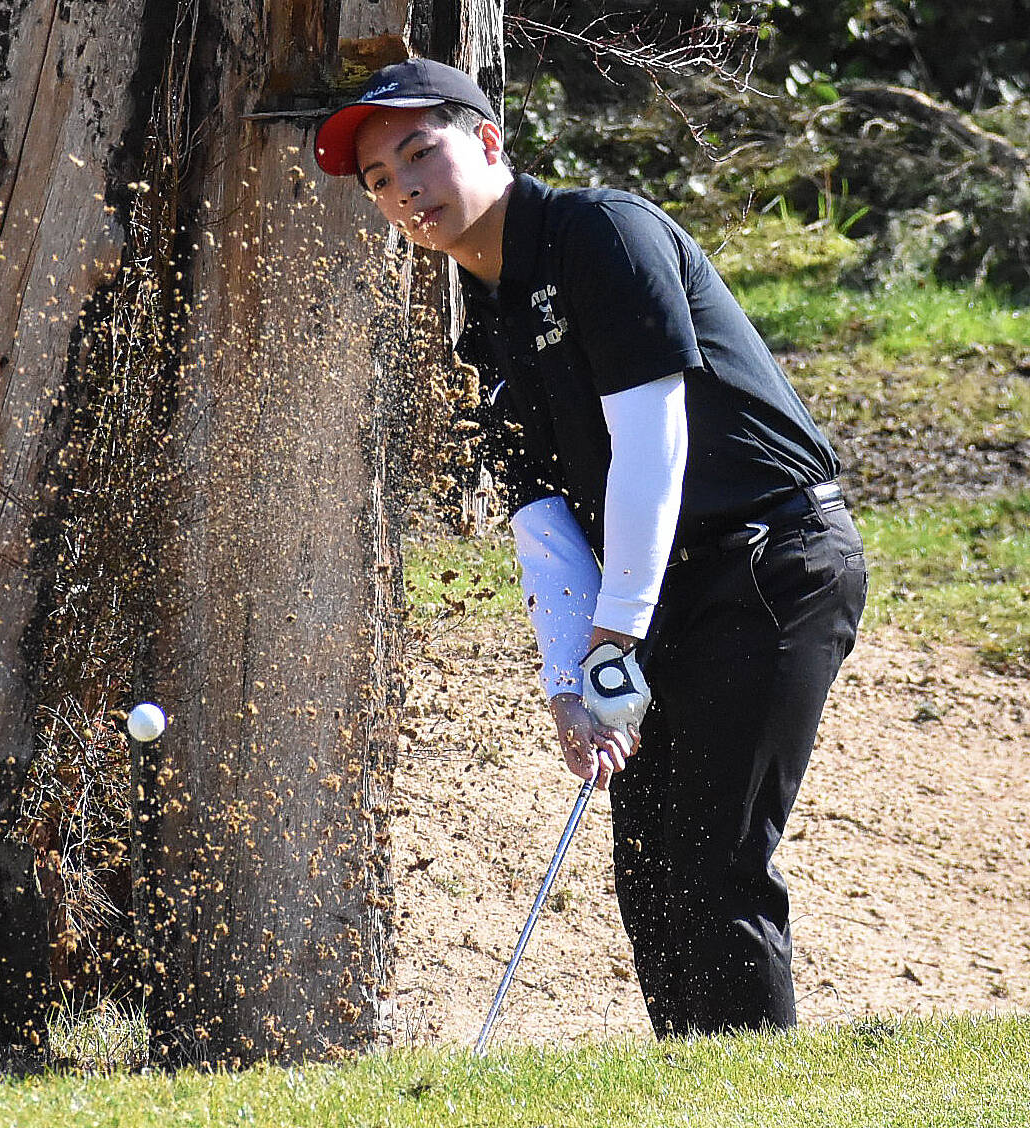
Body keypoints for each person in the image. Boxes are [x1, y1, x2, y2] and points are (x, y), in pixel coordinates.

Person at [315, 58, 868, 1037]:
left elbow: (653, 447)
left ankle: (756, 1100)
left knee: (714, 863)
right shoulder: (483, 321)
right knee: (649, 872)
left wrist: (615, 638)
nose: (404, 189)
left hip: (769, 560)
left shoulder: (600, 233)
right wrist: (571, 680)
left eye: (419, 153)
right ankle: (703, 1093)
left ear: (487, 142)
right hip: (664, 597)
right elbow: (543, 517)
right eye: (379, 180)